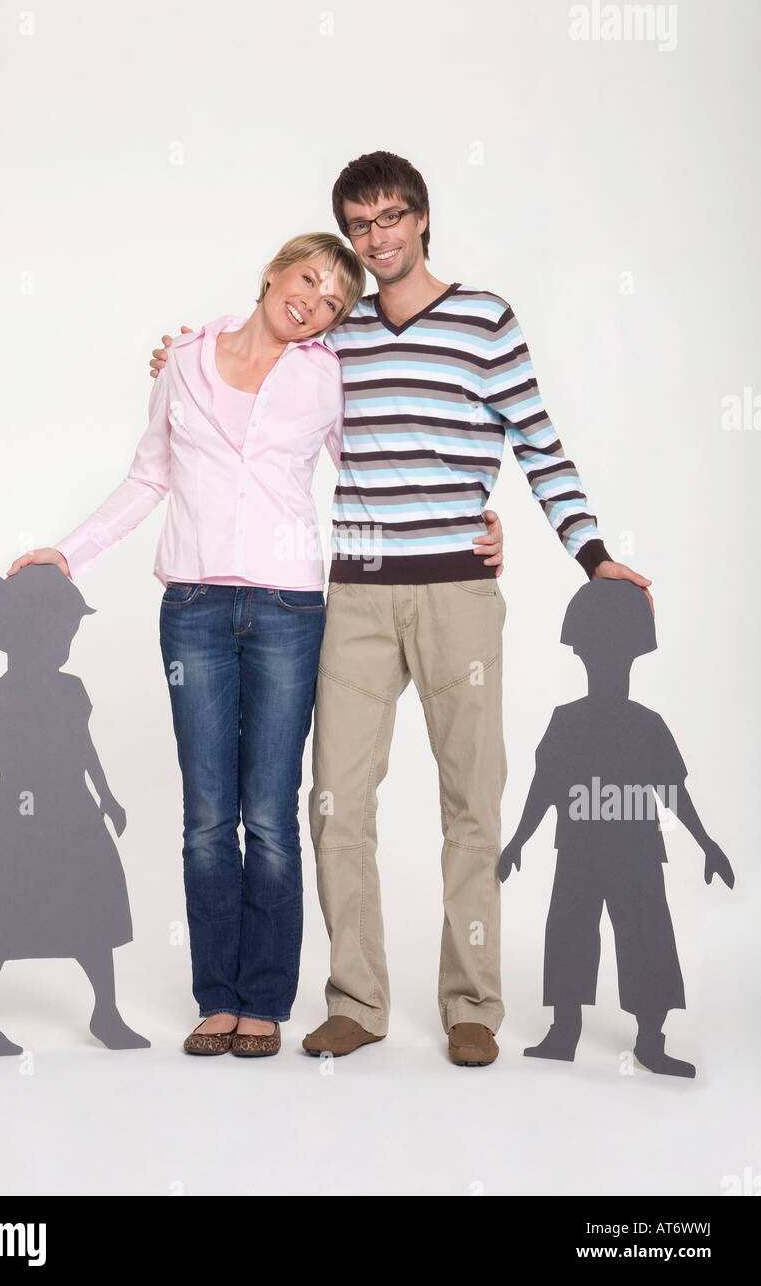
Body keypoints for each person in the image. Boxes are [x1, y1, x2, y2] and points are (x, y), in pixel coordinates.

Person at [151, 151, 651, 1068]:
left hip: (461, 592)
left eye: (391, 218)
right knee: (335, 805)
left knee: (472, 801)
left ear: (423, 218)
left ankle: (471, 1004)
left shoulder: (485, 318)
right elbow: (252, 360)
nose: (376, 238)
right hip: (354, 598)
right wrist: (181, 354)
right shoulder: (331, 337)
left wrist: (591, 553)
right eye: (359, 225)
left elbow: (539, 443)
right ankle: (356, 1000)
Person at [14, 232, 506, 1060]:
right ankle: (219, 996)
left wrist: (469, 519)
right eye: (307, 278)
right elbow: (147, 478)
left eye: (331, 301)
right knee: (208, 817)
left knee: (272, 815)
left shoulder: (326, 373)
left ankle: (268, 1001)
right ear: (274, 272)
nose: (312, 301)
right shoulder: (183, 363)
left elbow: (378, 462)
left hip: (289, 610)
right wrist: (69, 553)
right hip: (195, 609)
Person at [499, 579, 734, 1079]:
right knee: (569, 934)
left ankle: (648, 1038)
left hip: (633, 853)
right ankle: (566, 1031)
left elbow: (672, 791)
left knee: (645, 937)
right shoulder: (571, 722)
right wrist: (517, 840)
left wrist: (707, 843)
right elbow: (543, 788)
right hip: (584, 850)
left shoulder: (643, 725)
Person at [0, 562, 148, 1056]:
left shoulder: (71, 690)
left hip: (75, 814)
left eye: (71, 632)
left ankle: (106, 1012)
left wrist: (107, 796)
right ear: (28, 631)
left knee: (91, 910)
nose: (67, 642)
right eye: (63, 630)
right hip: (13, 824)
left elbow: (83, 746)